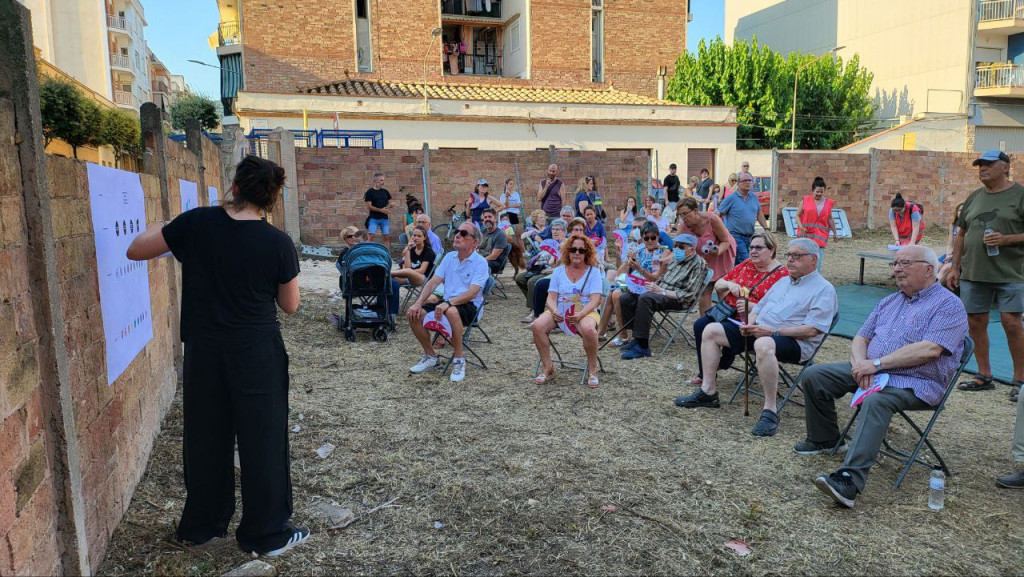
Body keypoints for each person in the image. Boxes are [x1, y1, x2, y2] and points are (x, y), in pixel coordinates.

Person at [125, 156, 308, 555]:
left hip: (205, 350)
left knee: (206, 437)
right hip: (257, 351)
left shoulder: (197, 222)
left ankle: (201, 527)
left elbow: (136, 250)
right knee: (263, 439)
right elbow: (290, 305)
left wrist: (169, 227)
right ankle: (267, 533)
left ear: (235, 186)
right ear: (272, 198)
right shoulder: (277, 242)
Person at [796, 246, 967, 508]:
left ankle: (849, 481)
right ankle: (824, 438)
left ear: (929, 269)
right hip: (874, 370)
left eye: (904, 263)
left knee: (877, 400)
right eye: (895, 263)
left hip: (917, 382)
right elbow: (862, 337)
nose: (896, 269)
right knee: (815, 375)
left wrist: (875, 365)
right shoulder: (890, 300)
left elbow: (931, 349)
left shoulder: (949, 305)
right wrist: (859, 365)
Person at [675, 238, 838, 438]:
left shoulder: (823, 289)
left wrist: (773, 332)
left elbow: (813, 330)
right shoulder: (783, 281)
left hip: (794, 341)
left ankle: (770, 410)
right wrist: (748, 323)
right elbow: (759, 308)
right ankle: (708, 391)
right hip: (761, 330)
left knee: (763, 343)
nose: (790, 260)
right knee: (710, 330)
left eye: (797, 256)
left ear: (813, 260)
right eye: (789, 255)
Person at [948, 149, 1024, 396]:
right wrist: (954, 266)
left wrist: (1007, 239)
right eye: (980, 165)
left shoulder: (1020, 195)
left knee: (1012, 323)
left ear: (1005, 166)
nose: (982, 168)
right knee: (975, 322)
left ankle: (1019, 381)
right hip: (973, 273)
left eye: (989, 164)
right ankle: (984, 375)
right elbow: (961, 233)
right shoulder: (974, 197)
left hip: (1011, 273)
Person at [690, 232, 788, 385]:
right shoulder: (747, 263)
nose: (753, 251)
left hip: (750, 321)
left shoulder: (782, 275)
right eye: (751, 247)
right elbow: (718, 285)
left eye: (758, 247)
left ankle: (727, 355)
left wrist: (752, 307)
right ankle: (707, 372)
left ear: (771, 250)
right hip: (727, 312)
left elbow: (780, 309)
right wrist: (730, 284)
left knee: (713, 329)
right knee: (700, 324)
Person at [407, 222, 490, 383]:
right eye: (457, 232)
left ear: (474, 242)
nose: (457, 235)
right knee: (414, 314)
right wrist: (418, 303)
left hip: (469, 305)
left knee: (451, 311)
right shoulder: (449, 257)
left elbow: (472, 293)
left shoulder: (480, 262)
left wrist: (449, 303)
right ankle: (431, 356)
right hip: (446, 302)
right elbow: (432, 283)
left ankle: (459, 360)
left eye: (464, 233)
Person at [618, 234, 709, 359]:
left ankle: (643, 347)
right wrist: (645, 286)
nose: (676, 249)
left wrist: (661, 291)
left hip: (677, 298)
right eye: (675, 245)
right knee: (626, 297)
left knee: (646, 299)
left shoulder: (699, 264)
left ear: (692, 250)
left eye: (681, 247)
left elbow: (688, 295)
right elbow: (662, 279)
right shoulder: (676, 260)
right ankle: (636, 338)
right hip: (660, 291)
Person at [532, 234, 605, 387]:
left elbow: (595, 300)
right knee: (537, 325)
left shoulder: (594, 272)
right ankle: (548, 368)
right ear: (567, 251)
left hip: (585, 310)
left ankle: (592, 370)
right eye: (573, 249)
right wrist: (554, 311)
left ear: (587, 253)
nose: (577, 253)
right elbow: (551, 298)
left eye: (581, 250)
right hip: (560, 309)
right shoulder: (558, 271)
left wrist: (581, 314)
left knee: (588, 328)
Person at [599, 221, 666, 345]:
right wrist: (628, 261)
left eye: (653, 237)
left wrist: (639, 268)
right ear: (642, 238)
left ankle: (622, 335)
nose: (650, 241)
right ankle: (600, 334)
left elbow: (655, 278)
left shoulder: (661, 253)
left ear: (658, 236)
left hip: (648, 287)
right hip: (632, 284)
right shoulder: (639, 251)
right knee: (609, 293)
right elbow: (619, 274)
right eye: (646, 238)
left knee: (616, 294)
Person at [675, 197, 737, 314]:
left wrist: (718, 251)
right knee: (704, 290)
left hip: (722, 253)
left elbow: (725, 241)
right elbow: (676, 246)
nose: (683, 217)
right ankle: (704, 323)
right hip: (703, 258)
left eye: (685, 214)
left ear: (695, 210)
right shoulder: (683, 226)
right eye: (680, 215)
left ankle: (726, 320)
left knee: (722, 288)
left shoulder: (712, 219)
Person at [519, 219, 568, 323]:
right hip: (544, 269)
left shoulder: (567, 245)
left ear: (564, 231)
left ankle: (535, 311)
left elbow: (564, 266)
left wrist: (551, 269)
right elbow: (549, 261)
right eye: (553, 229)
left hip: (558, 273)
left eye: (558, 229)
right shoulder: (552, 242)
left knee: (533, 282)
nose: (554, 231)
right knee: (520, 278)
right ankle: (535, 303)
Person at [717, 172, 769, 265]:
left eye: (750, 180)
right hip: (736, 236)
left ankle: (735, 278)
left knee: (738, 264)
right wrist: (718, 231)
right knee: (747, 261)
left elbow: (759, 213)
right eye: (745, 180)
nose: (748, 182)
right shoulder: (731, 198)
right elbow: (718, 214)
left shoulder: (754, 197)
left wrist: (766, 228)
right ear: (738, 183)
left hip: (750, 236)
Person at [795, 176, 839, 270]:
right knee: (803, 259)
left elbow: (830, 219)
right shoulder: (805, 200)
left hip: (820, 237)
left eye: (821, 192)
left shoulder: (828, 203)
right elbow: (797, 215)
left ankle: (815, 279)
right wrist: (801, 226)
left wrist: (835, 233)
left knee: (816, 261)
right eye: (817, 191)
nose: (819, 194)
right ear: (812, 190)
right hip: (805, 235)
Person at [936, 203, 963, 286]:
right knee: (935, 267)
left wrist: (954, 255)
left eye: (963, 211)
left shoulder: (969, 226)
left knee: (945, 269)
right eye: (959, 210)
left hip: (962, 256)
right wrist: (948, 255)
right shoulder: (953, 225)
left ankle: (932, 291)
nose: (960, 212)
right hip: (951, 254)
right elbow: (950, 244)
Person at [364, 171, 394, 245]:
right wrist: (381, 210)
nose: (383, 182)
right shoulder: (370, 192)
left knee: (386, 237)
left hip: (384, 218)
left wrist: (391, 205)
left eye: (383, 180)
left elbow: (390, 202)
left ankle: (387, 255)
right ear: (375, 181)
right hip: (373, 218)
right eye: (381, 180)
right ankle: (369, 254)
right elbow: (369, 206)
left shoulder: (385, 191)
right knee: (371, 237)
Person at [478, 208, 510, 274]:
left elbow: (494, 256)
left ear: (495, 219)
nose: (487, 219)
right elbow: (475, 248)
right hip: (482, 259)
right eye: (485, 217)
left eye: (490, 217)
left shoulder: (500, 234)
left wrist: (478, 261)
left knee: (477, 266)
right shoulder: (481, 232)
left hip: (495, 263)